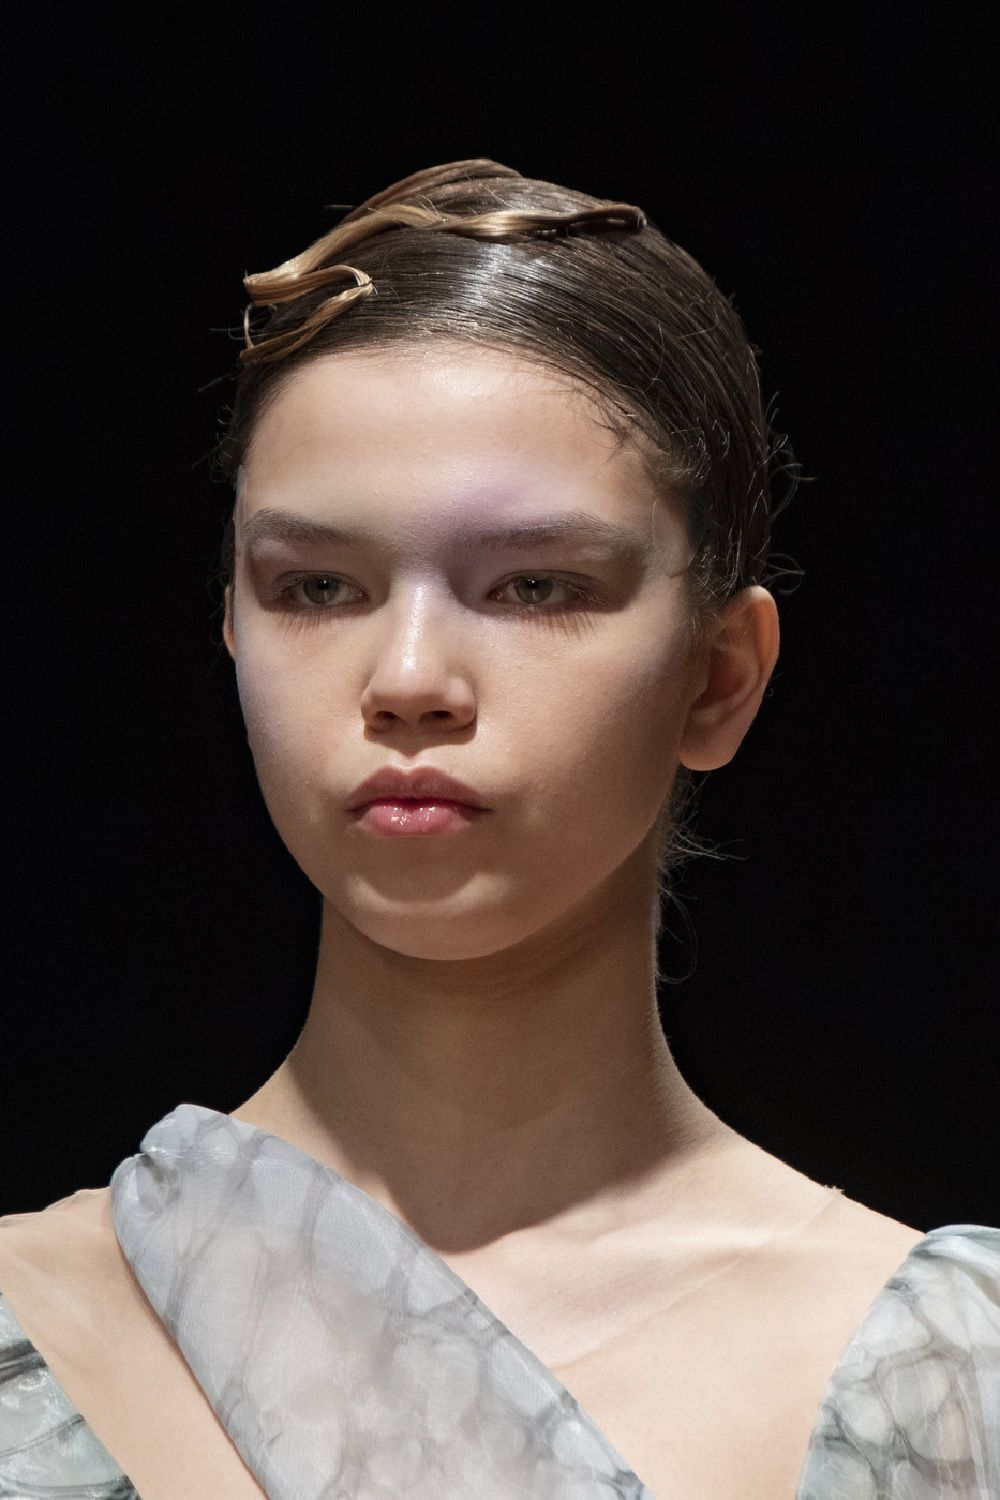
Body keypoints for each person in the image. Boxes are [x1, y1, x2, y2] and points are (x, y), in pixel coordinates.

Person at [0, 158, 996, 1500]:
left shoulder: (957, 1385)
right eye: (317, 586)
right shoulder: (25, 1331)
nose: (409, 678)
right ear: (231, 627)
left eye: (535, 585)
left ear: (719, 677)